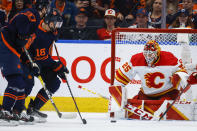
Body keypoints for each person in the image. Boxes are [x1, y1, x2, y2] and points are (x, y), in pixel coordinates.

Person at [109, 40, 197, 118]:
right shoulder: (136, 59)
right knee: (134, 105)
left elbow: (183, 77)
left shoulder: (169, 58)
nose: (148, 57)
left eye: (151, 54)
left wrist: (182, 79)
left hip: (168, 93)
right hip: (146, 94)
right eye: (146, 54)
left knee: (166, 108)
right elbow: (119, 79)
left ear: (158, 53)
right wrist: (116, 97)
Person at [0, 0, 49, 124]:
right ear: (42, 8)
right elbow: (21, 23)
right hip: (6, 45)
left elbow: (23, 43)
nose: (46, 11)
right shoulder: (32, 15)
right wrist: (22, 36)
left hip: (12, 49)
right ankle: (4, 112)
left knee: (22, 82)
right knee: (16, 81)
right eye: (46, 8)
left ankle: (18, 111)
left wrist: (29, 62)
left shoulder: (33, 16)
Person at [19, 8, 69, 122]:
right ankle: (16, 108)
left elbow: (44, 57)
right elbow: (42, 57)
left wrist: (57, 68)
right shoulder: (39, 34)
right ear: (48, 21)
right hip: (26, 61)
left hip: (39, 62)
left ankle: (33, 108)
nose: (57, 26)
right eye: (55, 23)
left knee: (54, 83)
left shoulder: (50, 30)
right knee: (28, 83)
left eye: (58, 24)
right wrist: (57, 66)